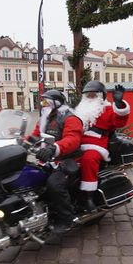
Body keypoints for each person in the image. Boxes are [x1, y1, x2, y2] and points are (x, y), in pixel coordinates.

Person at [24, 89, 83, 233]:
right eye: (42, 101)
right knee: (30, 178)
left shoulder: (70, 118)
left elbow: (72, 139)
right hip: (49, 160)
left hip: (69, 159)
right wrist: (20, 144)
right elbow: (35, 136)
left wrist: (54, 148)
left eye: (46, 101)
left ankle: (66, 219)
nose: (44, 104)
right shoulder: (45, 118)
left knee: (54, 184)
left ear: (56, 103)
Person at [75, 81, 130, 213]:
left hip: (96, 143)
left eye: (94, 95)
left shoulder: (108, 109)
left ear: (102, 96)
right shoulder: (79, 110)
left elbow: (120, 121)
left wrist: (119, 103)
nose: (90, 97)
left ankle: (89, 196)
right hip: (77, 142)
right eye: (88, 95)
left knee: (89, 159)